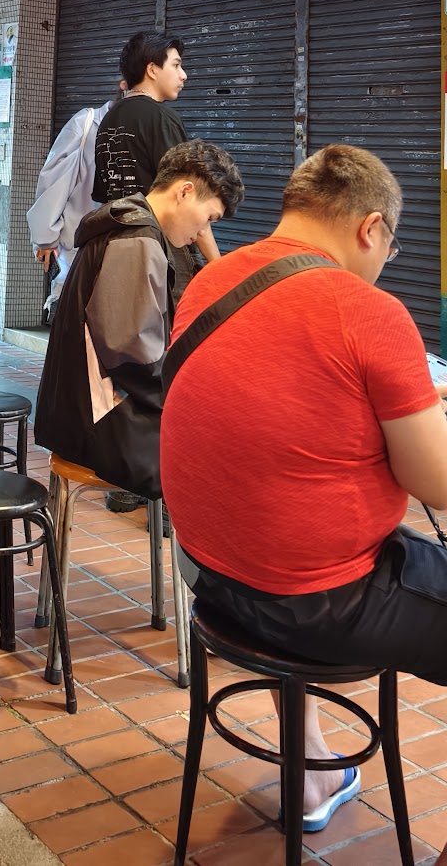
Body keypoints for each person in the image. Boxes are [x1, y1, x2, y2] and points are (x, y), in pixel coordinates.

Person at [161, 144, 447, 840]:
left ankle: (312, 769)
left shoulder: (212, 280)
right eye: (391, 246)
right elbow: (436, 481)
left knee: (293, 519)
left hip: (207, 572)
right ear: (370, 228)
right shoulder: (369, 310)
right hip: (312, 602)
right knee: (333, 548)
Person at [34, 141, 244, 500]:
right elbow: (132, 353)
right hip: (97, 425)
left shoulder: (124, 222)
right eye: (209, 218)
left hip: (73, 413)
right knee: (219, 453)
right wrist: (187, 393)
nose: (203, 231)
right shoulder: (136, 237)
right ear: (185, 191)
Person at [93, 30, 221, 289]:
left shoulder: (108, 119)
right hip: (164, 251)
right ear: (152, 70)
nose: (183, 75)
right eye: (176, 65)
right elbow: (189, 196)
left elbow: (103, 195)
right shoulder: (161, 118)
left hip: (116, 249)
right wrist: (218, 266)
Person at [27, 89, 120, 321]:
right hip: (77, 246)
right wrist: (45, 236)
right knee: (75, 318)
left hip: (119, 248)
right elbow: (55, 178)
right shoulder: (87, 122)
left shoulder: (147, 126)